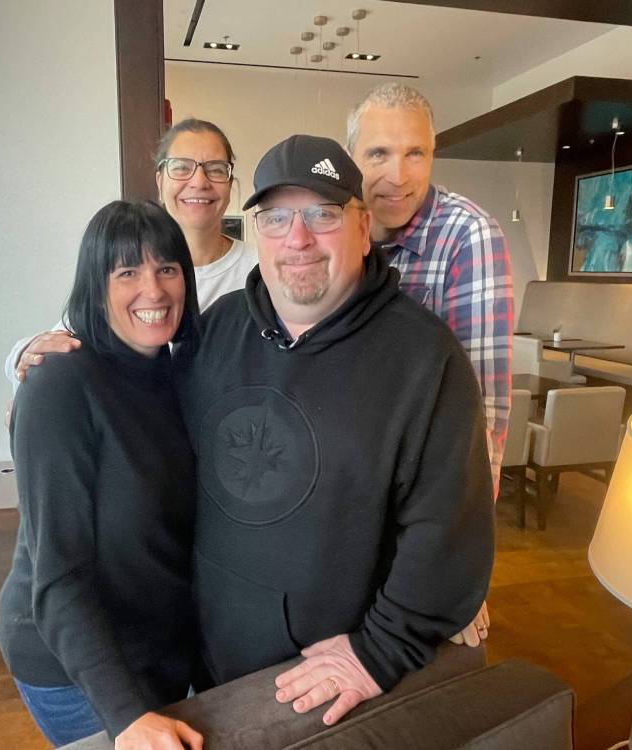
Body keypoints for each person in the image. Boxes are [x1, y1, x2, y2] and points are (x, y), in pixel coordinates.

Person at [173, 134, 494, 726]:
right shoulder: (216, 329)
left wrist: (378, 651)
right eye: (276, 218)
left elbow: (451, 535)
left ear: (363, 224)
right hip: (208, 659)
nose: (297, 238)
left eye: (322, 214)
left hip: (331, 686)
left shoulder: (425, 359)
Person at [0, 200, 203, 749]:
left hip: (158, 646)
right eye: (127, 272)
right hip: (74, 662)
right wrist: (127, 715)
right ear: (96, 284)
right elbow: (58, 576)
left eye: (167, 269)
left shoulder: (180, 371)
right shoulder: (59, 384)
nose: (153, 291)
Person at [347, 83, 514, 647]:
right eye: (379, 154)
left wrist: (464, 569)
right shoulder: (344, 230)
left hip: (428, 483)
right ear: (353, 159)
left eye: (415, 152)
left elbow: (485, 410)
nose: (399, 174)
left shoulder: (468, 235)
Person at [6, 118, 256, 383]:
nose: (199, 181)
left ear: (230, 183)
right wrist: (26, 357)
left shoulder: (260, 269)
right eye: (181, 167)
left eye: (216, 169)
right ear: (160, 181)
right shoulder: (121, 269)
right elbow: (60, 341)